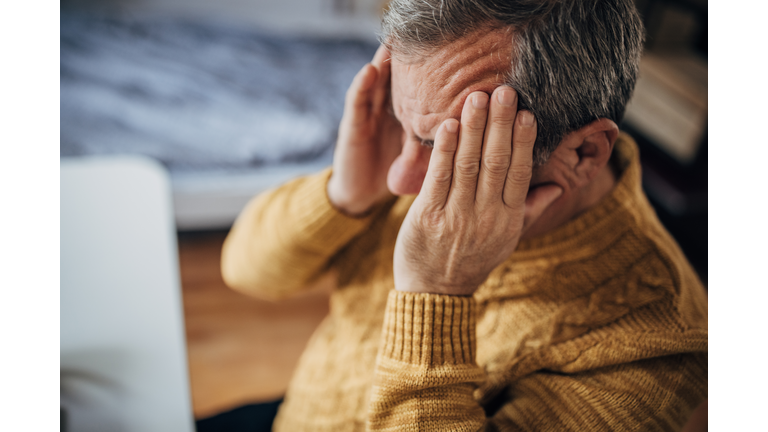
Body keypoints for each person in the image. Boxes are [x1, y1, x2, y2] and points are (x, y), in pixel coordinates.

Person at [221, 0, 708, 430]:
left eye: (443, 147)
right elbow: (246, 271)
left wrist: (435, 294)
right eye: (402, 121)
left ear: (582, 154)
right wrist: (343, 195)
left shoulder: (657, 349)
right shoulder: (398, 163)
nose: (400, 182)